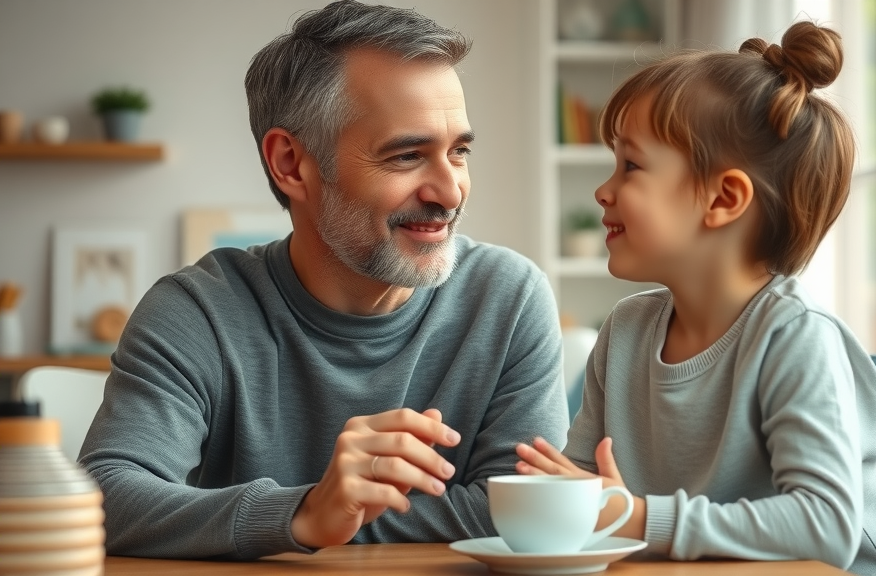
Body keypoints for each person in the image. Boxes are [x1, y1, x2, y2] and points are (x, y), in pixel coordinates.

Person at [79, 0, 568, 560]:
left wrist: (333, 520)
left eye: (458, 152)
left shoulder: (507, 298)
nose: (451, 192)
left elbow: (527, 508)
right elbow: (104, 498)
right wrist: (306, 512)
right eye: (407, 156)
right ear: (291, 164)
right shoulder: (197, 312)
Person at [514, 21, 876, 576]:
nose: (603, 191)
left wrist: (636, 518)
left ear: (724, 198)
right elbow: (587, 490)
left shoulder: (795, 337)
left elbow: (825, 526)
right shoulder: (626, 330)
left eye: (631, 165)